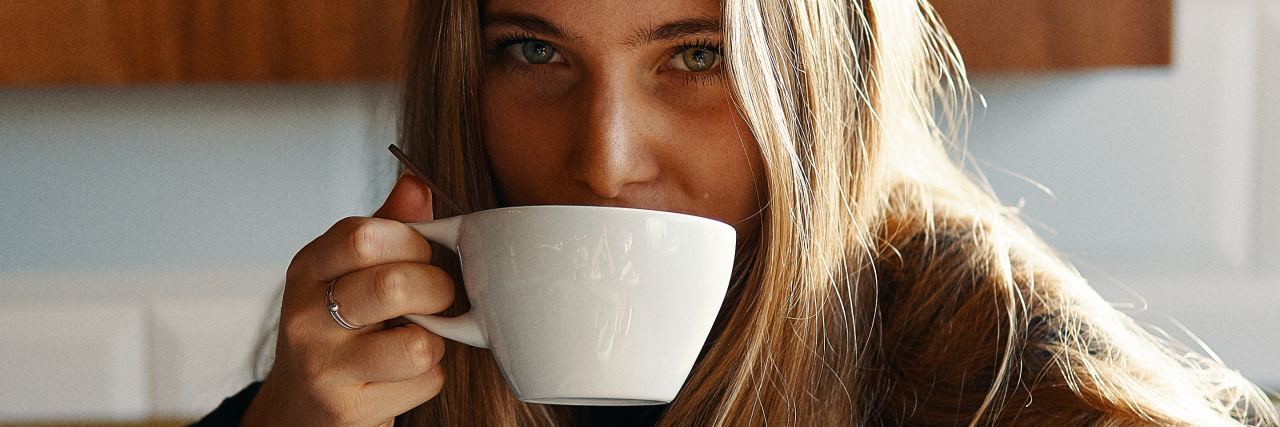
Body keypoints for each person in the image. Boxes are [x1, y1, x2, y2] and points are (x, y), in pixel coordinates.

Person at [197, 0, 1279, 425]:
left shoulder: (1015, 390)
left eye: (696, 57)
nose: (604, 159)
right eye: (532, 52)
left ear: (822, 76)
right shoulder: (368, 391)